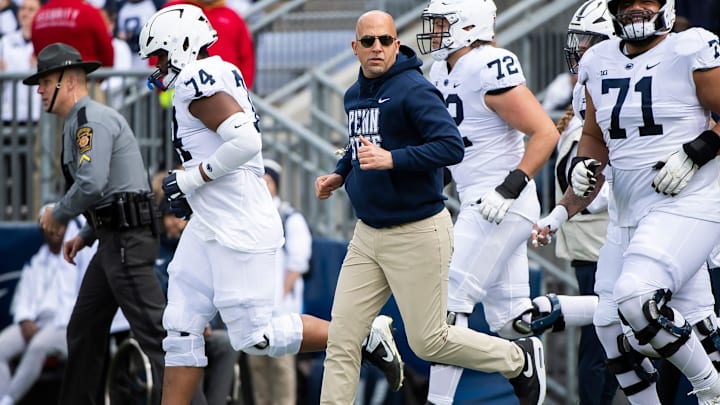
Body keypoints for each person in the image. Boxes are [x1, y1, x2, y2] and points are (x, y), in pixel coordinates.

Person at [136, 5, 405, 403]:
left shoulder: (196, 76)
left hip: (237, 221)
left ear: (182, 46)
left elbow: (246, 142)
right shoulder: (211, 72)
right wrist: (193, 187)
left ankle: (362, 336)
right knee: (180, 325)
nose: (156, 66)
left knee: (254, 336)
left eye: (159, 55)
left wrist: (191, 179)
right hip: (211, 219)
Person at [315, 9, 546, 405]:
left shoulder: (414, 88)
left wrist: (393, 160)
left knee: (429, 341)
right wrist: (341, 172)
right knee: (342, 339)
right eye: (367, 41)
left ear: (395, 44)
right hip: (367, 233)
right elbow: (361, 143)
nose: (376, 48)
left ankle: (516, 357)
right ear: (354, 48)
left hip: (417, 229)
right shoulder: (353, 94)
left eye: (384, 41)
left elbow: (450, 146)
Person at [412, 2, 597, 404]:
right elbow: (460, 144)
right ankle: (619, 310)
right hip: (477, 199)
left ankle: (437, 401)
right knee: (516, 322)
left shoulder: (488, 64)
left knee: (448, 301)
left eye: (443, 23)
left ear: (468, 25)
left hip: (500, 202)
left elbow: (544, 131)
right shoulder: (441, 69)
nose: (435, 31)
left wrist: (510, 186)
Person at [570, 0, 720, 402]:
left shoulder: (691, 48)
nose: (635, 9)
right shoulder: (599, 59)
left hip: (689, 203)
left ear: (665, 6)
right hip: (629, 212)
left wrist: (702, 146)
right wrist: (582, 167)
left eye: (646, 1)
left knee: (638, 299)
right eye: (624, 3)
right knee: (609, 327)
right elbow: (594, 137)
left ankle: (712, 390)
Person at [23, 42, 166, 405]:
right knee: (84, 330)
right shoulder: (80, 121)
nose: (39, 89)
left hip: (126, 242)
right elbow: (114, 189)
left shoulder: (90, 120)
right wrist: (87, 234)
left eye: (45, 80)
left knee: (156, 337)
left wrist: (58, 213)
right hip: (111, 239)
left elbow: (92, 182)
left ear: (69, 81)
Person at [531, 2, 620, 404]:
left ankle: (560, 309)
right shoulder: (588, 109)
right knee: (608, 343)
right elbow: (592, 190)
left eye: (590, 41)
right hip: (604, 245)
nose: (580, 50)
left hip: (645, 235)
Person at [0, 212, 92, 405]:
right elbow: (22, 297)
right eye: (49, 227)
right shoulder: (35, 262)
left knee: (38, 347)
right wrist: (25, 319)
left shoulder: (79, 257)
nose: (55, 231)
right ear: (42, 230)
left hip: (63, 323)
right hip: (34, 321)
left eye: (60, 226)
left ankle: (8, 400)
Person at [246, 159, 312, 405]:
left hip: (281, 310)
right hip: (254, 308)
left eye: (269, 180)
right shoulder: (248, 216)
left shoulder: (289, 217)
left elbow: (298, 262)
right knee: (258, 368)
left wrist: (281, 296)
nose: (263, 184)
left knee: (282, 369)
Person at [162, 0, 255, 89]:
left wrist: (243, 87)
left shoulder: (233, 16)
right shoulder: (174, 10)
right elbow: (157, 47)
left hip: (225, 91)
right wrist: (163, 83)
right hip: (182, 90)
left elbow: (246, 56)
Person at [30, 0, 114, 68]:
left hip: (49, 82)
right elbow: (107, 54)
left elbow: (38, 52)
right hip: (84, 81)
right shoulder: (89, 12)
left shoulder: (39, 16)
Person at [0, 0, 40, 124]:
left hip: (36, 115)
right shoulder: (5, 42)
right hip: (9, 114)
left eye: (31, 9)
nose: (25, 13)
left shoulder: (45, 43)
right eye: (23, 9)